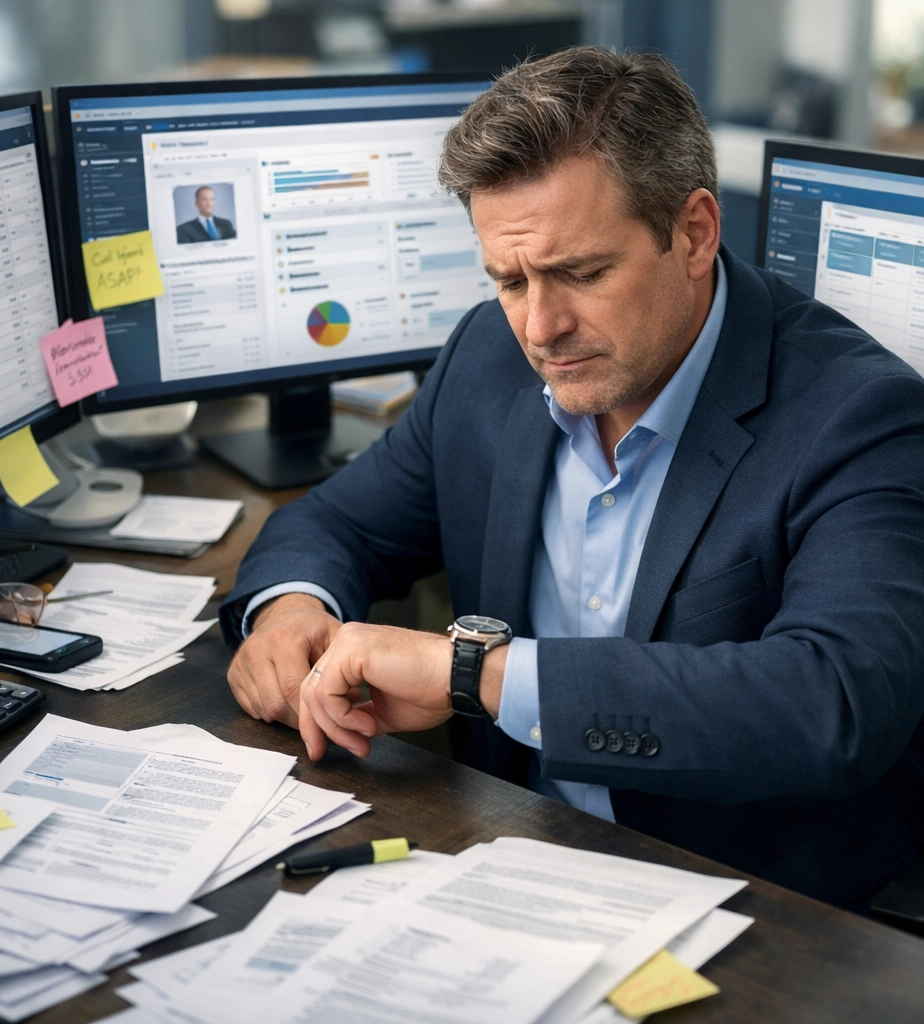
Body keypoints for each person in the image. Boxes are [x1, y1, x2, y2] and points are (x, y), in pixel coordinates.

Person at [218, 47, 924, 908]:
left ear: (694, 232)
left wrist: (474, 672)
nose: (540, 327)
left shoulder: (862, 413)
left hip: (742, 903)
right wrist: (292, 610)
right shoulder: (488, 352)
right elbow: (340, 523)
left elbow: (831, 705)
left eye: (582, 274)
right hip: (501, 855)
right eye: (510, 280)